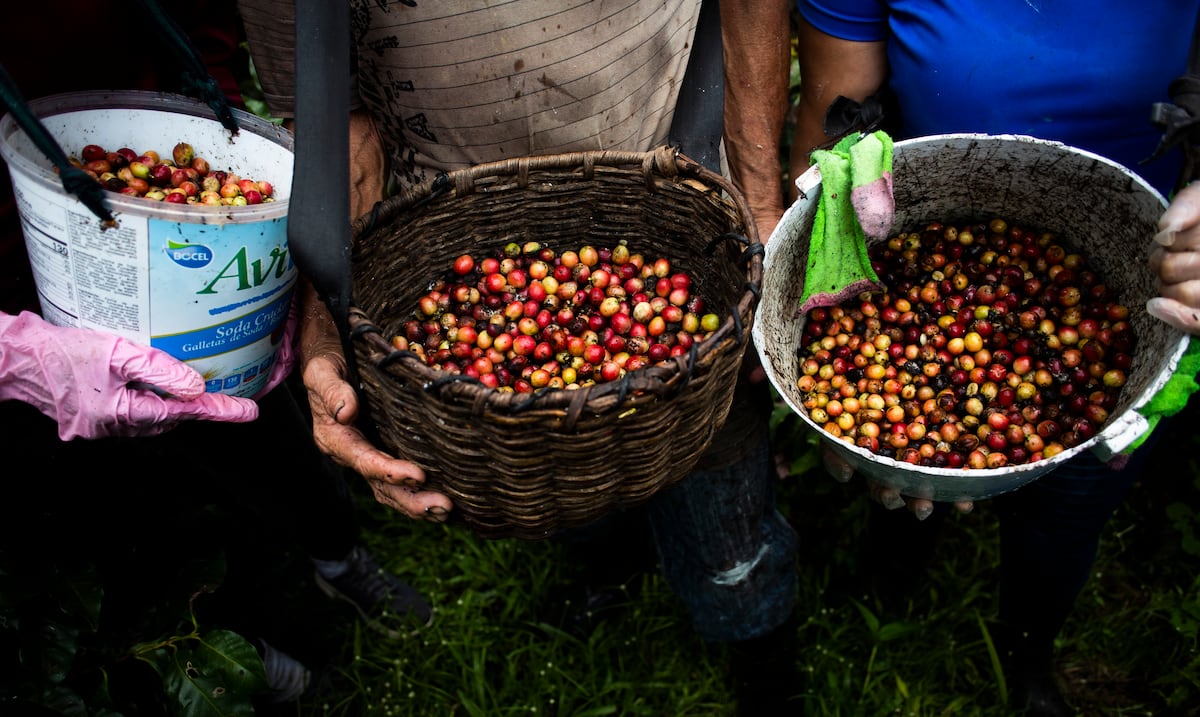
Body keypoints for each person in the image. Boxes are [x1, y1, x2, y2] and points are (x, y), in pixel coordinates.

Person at [236, 0, 804, 713]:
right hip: (448, 223)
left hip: (673, 178)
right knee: (555, 462)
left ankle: (759, 649)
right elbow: (337, 126)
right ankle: (608, 558)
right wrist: (329, 322)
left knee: (723, 487)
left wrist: (756, 201)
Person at [728, 3, 1200, 716]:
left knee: (1069, 508)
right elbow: (836, 105)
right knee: (902, 484)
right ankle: (897, 558)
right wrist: (814, 241)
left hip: (1144, 253)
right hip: (913, 219)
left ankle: (1028, 649)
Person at [0, 2, 433, 706]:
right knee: (106, 522)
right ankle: (239, 659)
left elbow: (202, 27)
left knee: (266, 435)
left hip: (179, 253)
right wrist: (13, 359)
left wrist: (229, 148)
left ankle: (336, 553)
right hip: (20, 286)